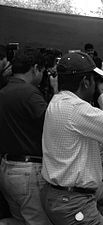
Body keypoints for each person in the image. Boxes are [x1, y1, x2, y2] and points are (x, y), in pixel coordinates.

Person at [40, 51, 103, 225]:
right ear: (86, 82)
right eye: (95, 82)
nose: (96, 86)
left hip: (59, 195)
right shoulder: (76, 108)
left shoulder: (57, 100)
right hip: (73, 204)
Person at [0, 47, 52, 225]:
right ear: (35, 68)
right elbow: (53, 124)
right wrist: (58, 91)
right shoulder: (29, 93)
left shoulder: (5, 91)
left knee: (20, 220)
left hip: (7, 167)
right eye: (43, 71)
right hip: (27, 171)